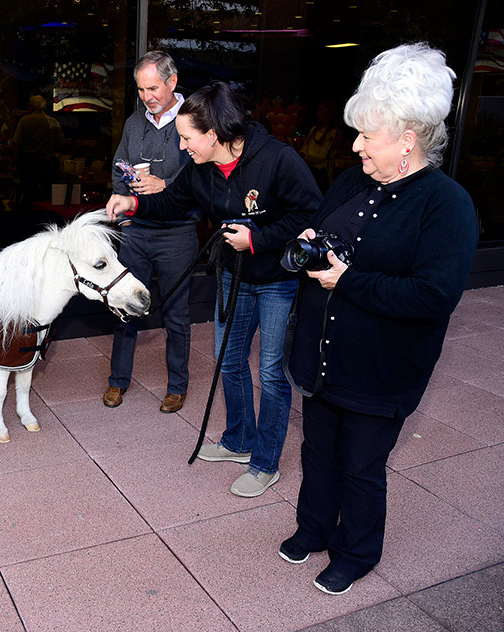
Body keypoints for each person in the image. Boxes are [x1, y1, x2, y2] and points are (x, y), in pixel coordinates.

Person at [279, 43, 478, 595]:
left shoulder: (446, 205)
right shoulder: (350, 183)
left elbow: (434, 295)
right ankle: (313, 527)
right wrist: (308, 242)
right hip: (323, 356)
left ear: (407, 142)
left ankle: (357, 552)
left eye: (368, 135)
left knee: (361, 466)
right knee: (317, 451)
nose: (357, 145)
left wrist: (348, 280)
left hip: (381, 367)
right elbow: (320, 236)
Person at [106, 82, 322, 497]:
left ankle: (265, 463)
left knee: (273, 373)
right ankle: (238, 441)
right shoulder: (202, 168)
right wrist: (132, 203)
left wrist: (257, 241)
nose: (182, 146)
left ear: (214, 134)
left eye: (187, 137)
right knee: (229, 361)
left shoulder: (279, 159)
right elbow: (172, 204)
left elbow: (311, 214)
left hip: (277, 281)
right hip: (232, 275)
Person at [103, 50, 197, 414]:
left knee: (176, 314)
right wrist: (126, 220)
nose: (147, 97)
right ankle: (117, 381)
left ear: (172, 82)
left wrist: (165, 185)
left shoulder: (194, 121)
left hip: (177, 232)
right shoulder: (133, 124)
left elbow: (202, 176)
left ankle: (177, 386)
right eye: (141, 90)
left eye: (153, 88)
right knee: (124, 309)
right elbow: (117, 173)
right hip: (137, 232)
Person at [11, 94, 64, 209]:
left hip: (29, 162)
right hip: (48, 162)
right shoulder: (53, 121)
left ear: (31, 107)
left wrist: (15, 163)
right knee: (47, 194)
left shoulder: (24, 121)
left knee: (29, 194)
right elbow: (60, 142)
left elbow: (16, 144)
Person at [300, 99, 340, 191]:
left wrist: (306, 157)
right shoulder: (314, 130)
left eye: (322, 110)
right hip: (309, 171)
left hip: (322, 174)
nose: (318, 113)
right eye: (318, 110)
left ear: (330, 112)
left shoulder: (333, 133)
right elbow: (305, 148)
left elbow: (321, 156)